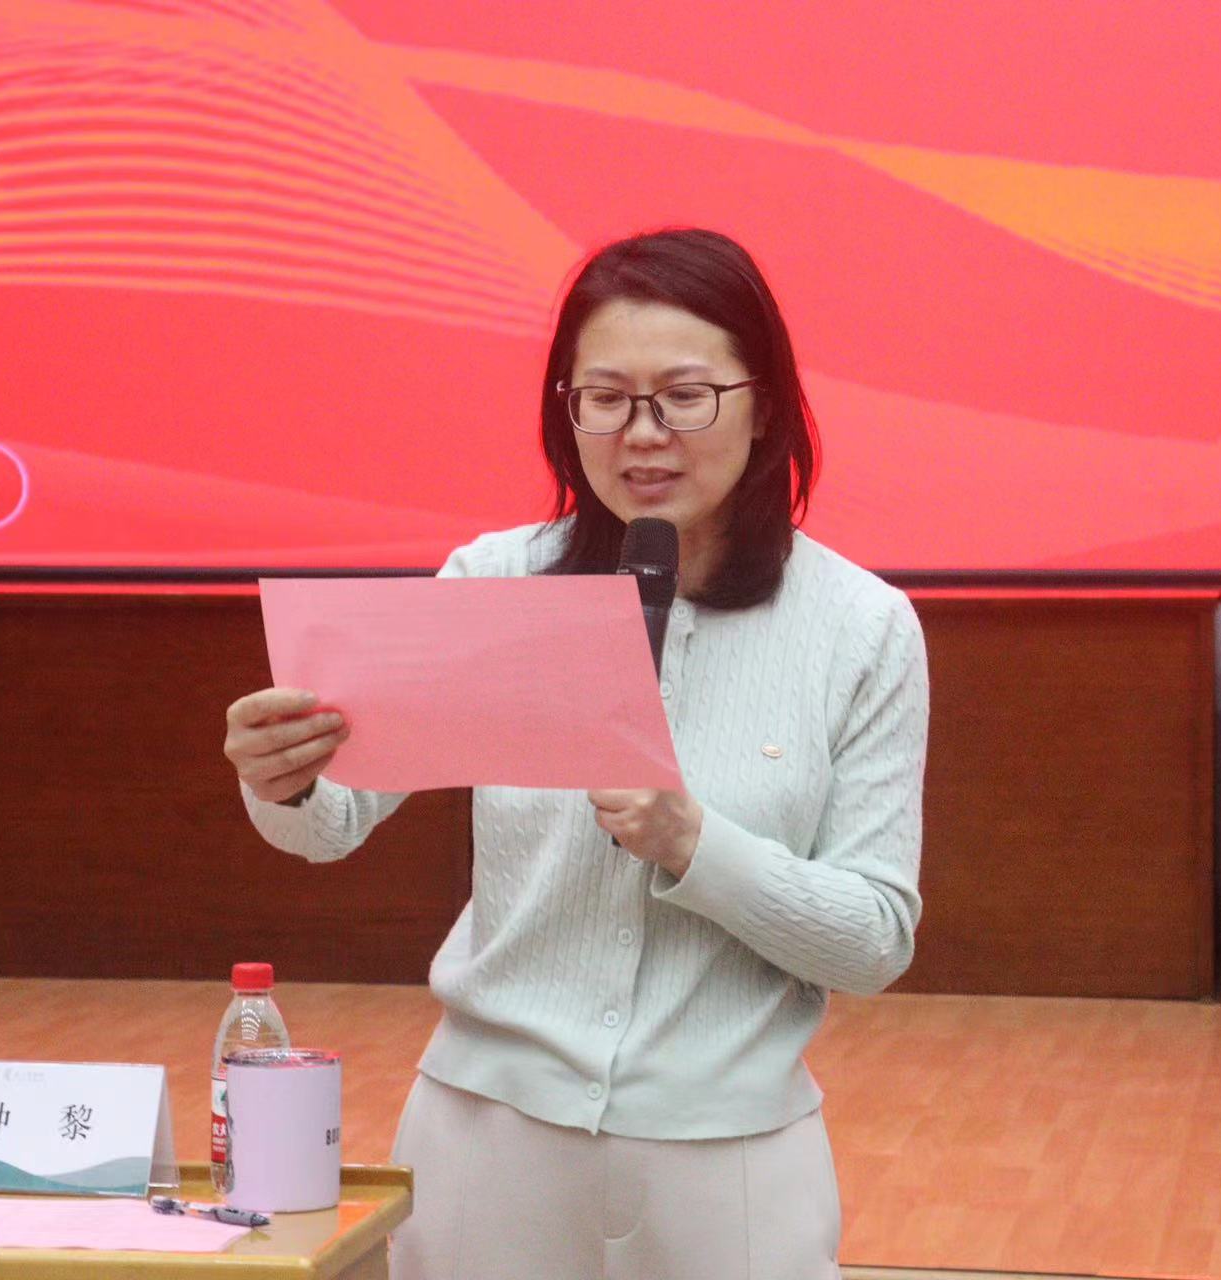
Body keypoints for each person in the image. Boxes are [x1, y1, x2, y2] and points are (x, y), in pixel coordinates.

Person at [223, 228, 928, 1279]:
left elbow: (872, 940)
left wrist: (696, 844)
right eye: (605, 397)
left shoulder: (858, 627)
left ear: (765, 406)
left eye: (684, 396)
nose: (642, 434)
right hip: (485, 1136)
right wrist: (280, 775)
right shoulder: (495, 580)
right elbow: (331, 823)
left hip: (729, 1158)